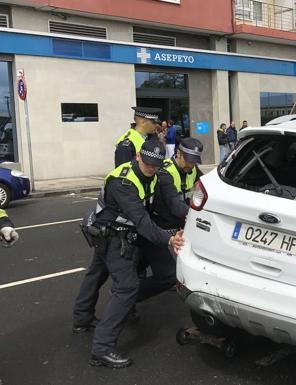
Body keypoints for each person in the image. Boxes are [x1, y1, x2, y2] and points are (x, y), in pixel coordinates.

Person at [72, 139, 185, 369]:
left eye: (156, 165)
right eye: (148, 165)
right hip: (112, 235)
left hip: (120, 230)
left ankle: (82, 318)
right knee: (127, 286)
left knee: (97, 272)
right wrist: (169, 238)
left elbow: (165, 203)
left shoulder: (155, 174)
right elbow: (142, 221)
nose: (151, 169)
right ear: (138, 158)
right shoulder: (123, 182)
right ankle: (102, 349)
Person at [137, 137, 204, 303]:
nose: (191, 165)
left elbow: (206, 187)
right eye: (188, 160)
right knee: (163, 273)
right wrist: (196, 216)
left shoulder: (193, 170)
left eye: (194, 161)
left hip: (175, 227)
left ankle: (128, 290)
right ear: (178, 153)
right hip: (159, 227)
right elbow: (174, 204)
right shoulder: (165, 172)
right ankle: (129, 295)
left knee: (146, 265)